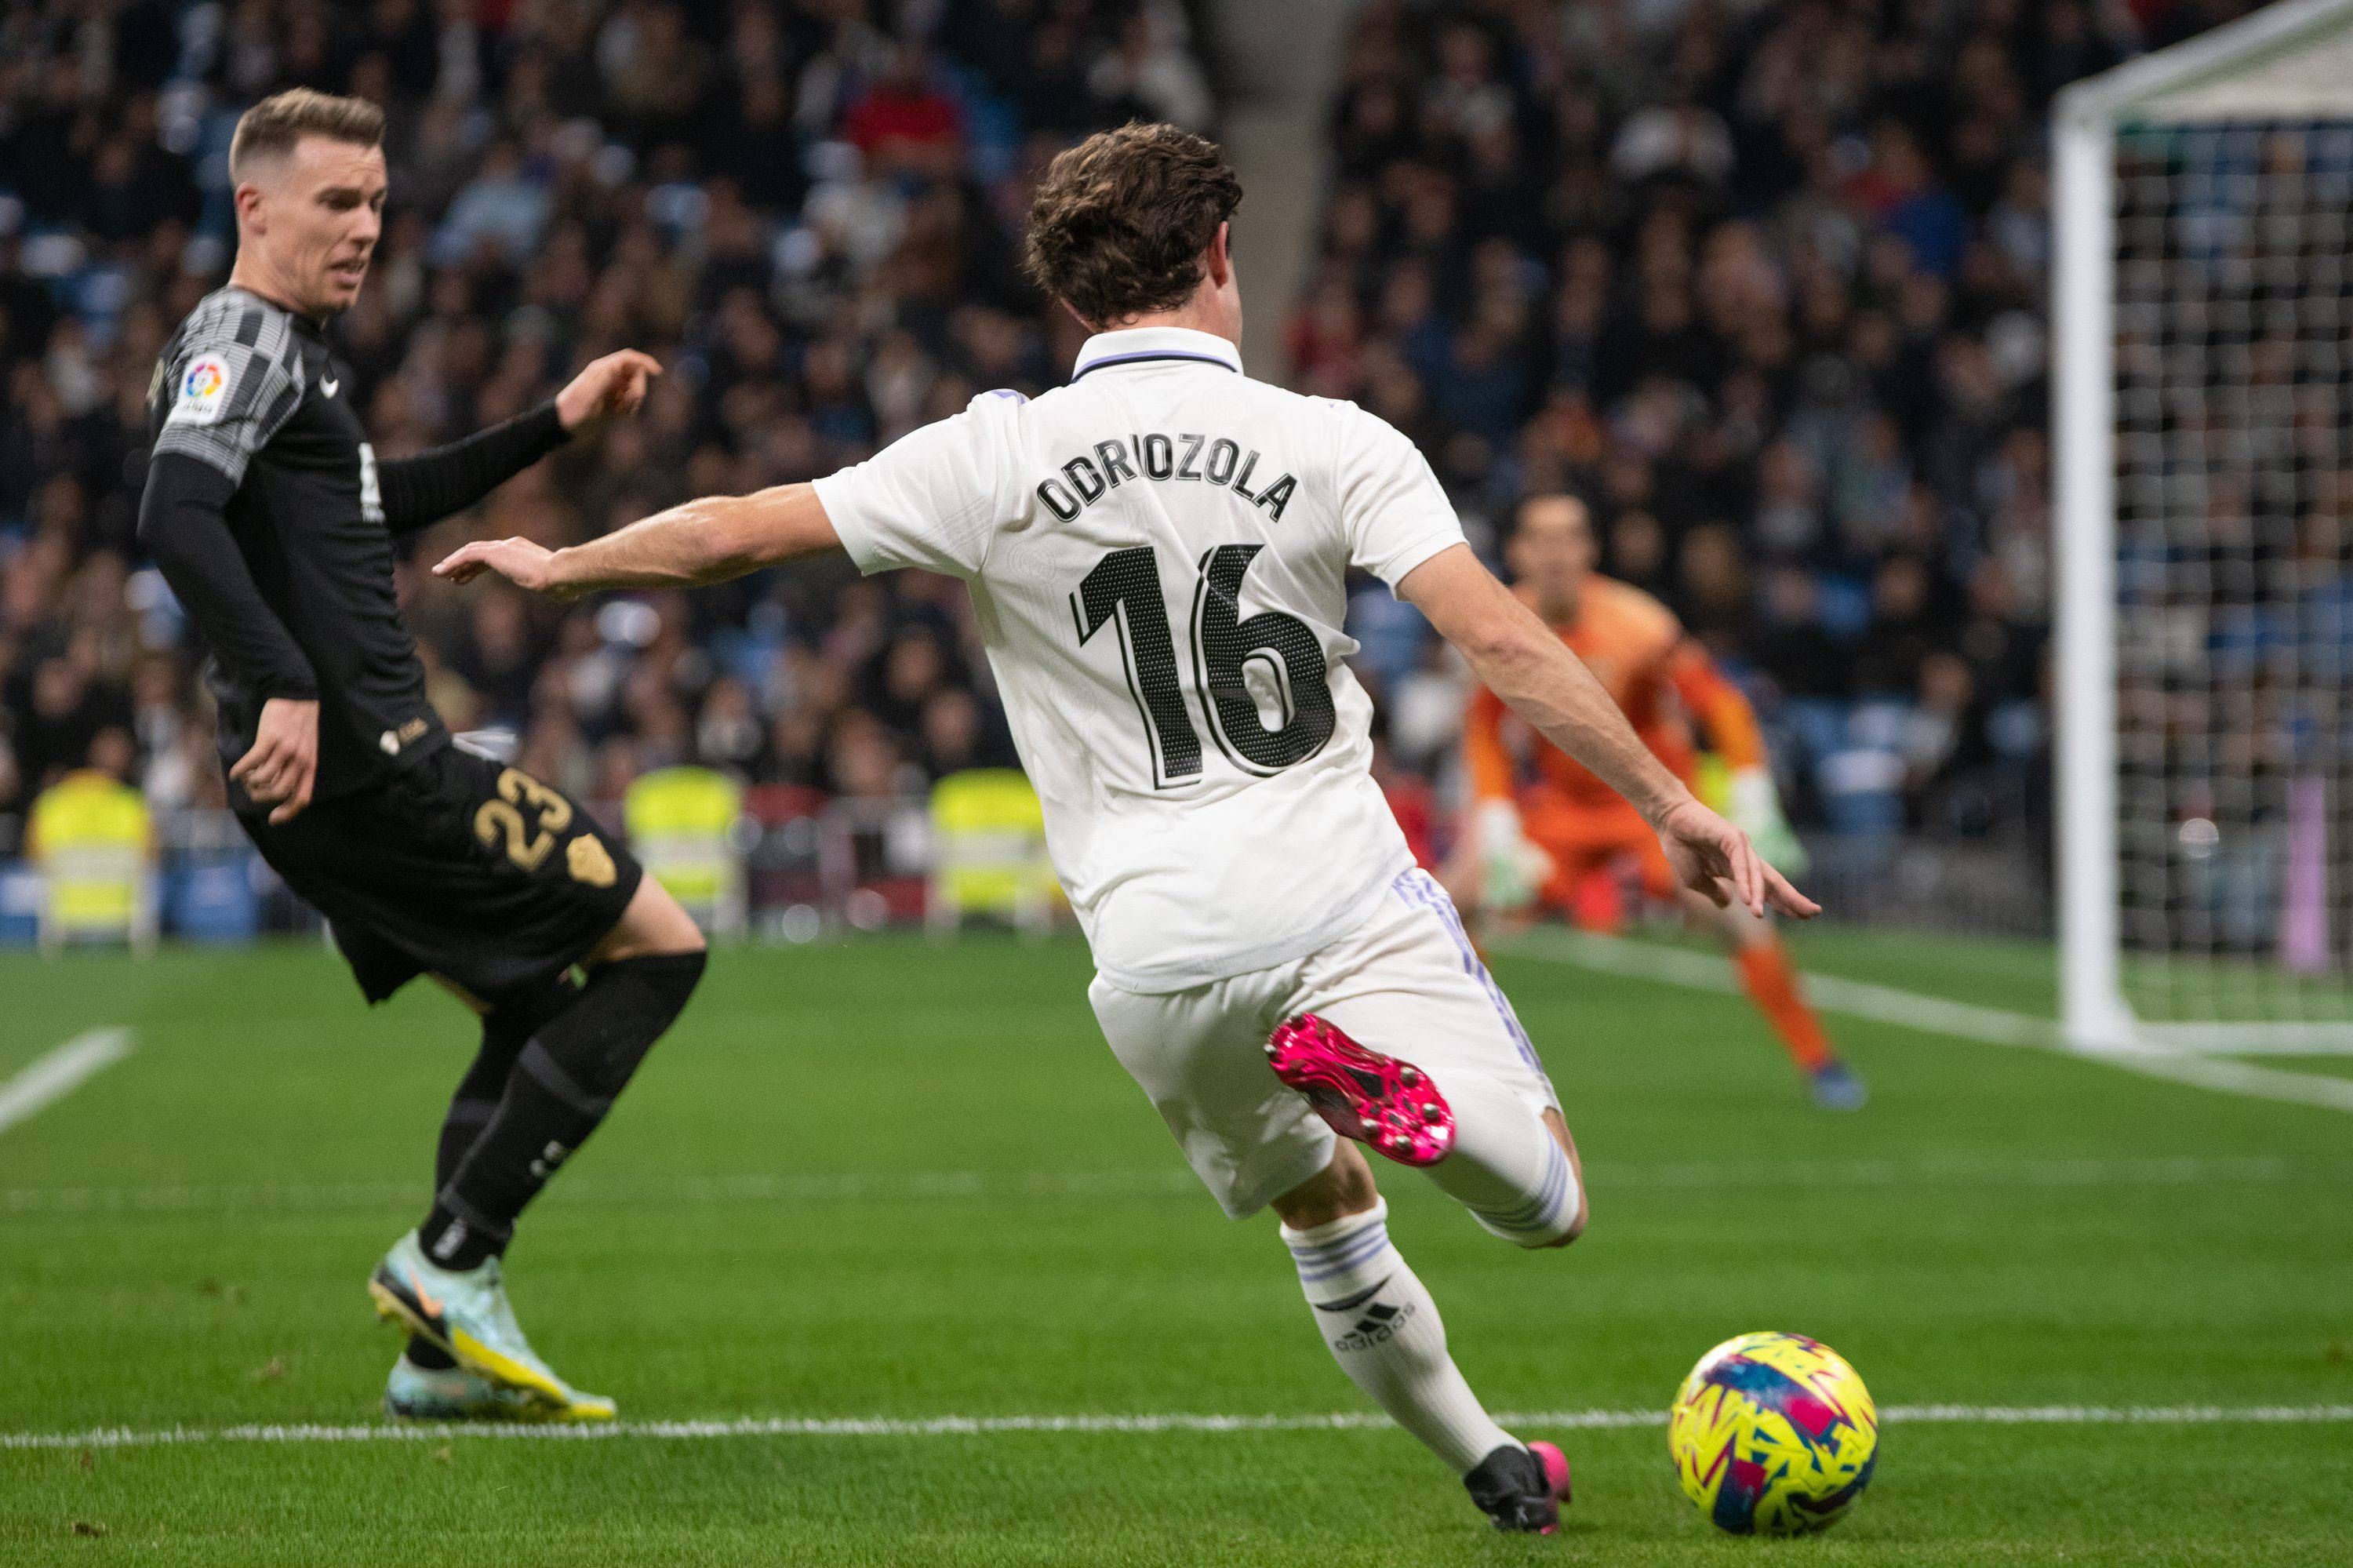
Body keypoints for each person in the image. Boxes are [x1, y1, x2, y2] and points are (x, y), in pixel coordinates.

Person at [435, 122, 1816, 1530]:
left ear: (1072, 295)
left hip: (1154, 955)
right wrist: (1670, 798)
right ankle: (1424, 1105)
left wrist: (564, 564)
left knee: (1320, 1207)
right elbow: (1503, 643)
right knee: (1551, 1200)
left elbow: (731, 531)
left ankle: (1487, 1456)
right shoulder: (1333, 441)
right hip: (1335, 892)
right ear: (1220, 255)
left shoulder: (994, 452)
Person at [136, 89, 707, 1423]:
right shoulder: (243, 338)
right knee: (663, 948)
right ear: (253, 206)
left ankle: (442, 1352)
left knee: (530, 1004)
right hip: (381, 768)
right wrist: (282, 677)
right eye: (338, 202)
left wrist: (555, 423)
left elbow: (371, 501)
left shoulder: (297, 367)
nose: (366, 228)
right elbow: (174, 507)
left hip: (327, 792)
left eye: (379, 203)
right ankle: (449, 1259)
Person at [1460, 494, 1864, 1109]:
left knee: (1736, 916)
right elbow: (1484, 725)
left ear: (1591, 550)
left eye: (1571, 537)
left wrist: (1753, 792)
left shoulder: (1637, 622)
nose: (1558, 552)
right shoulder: (1503, 622)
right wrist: (1495, 821)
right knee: (1447, 901)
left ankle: (1820, 1062)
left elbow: (1720, 703)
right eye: (1542, 538)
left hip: (1649, 805)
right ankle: (1469, 1064)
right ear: (1517, 551)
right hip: (1563, 806)